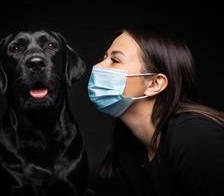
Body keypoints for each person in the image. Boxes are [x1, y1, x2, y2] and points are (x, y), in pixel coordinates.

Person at [88, 26, 224, 196]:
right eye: (104, 57)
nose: (98, 66)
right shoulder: (129, 148)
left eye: (115, 60)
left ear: (154, 84)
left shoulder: (198, 139)